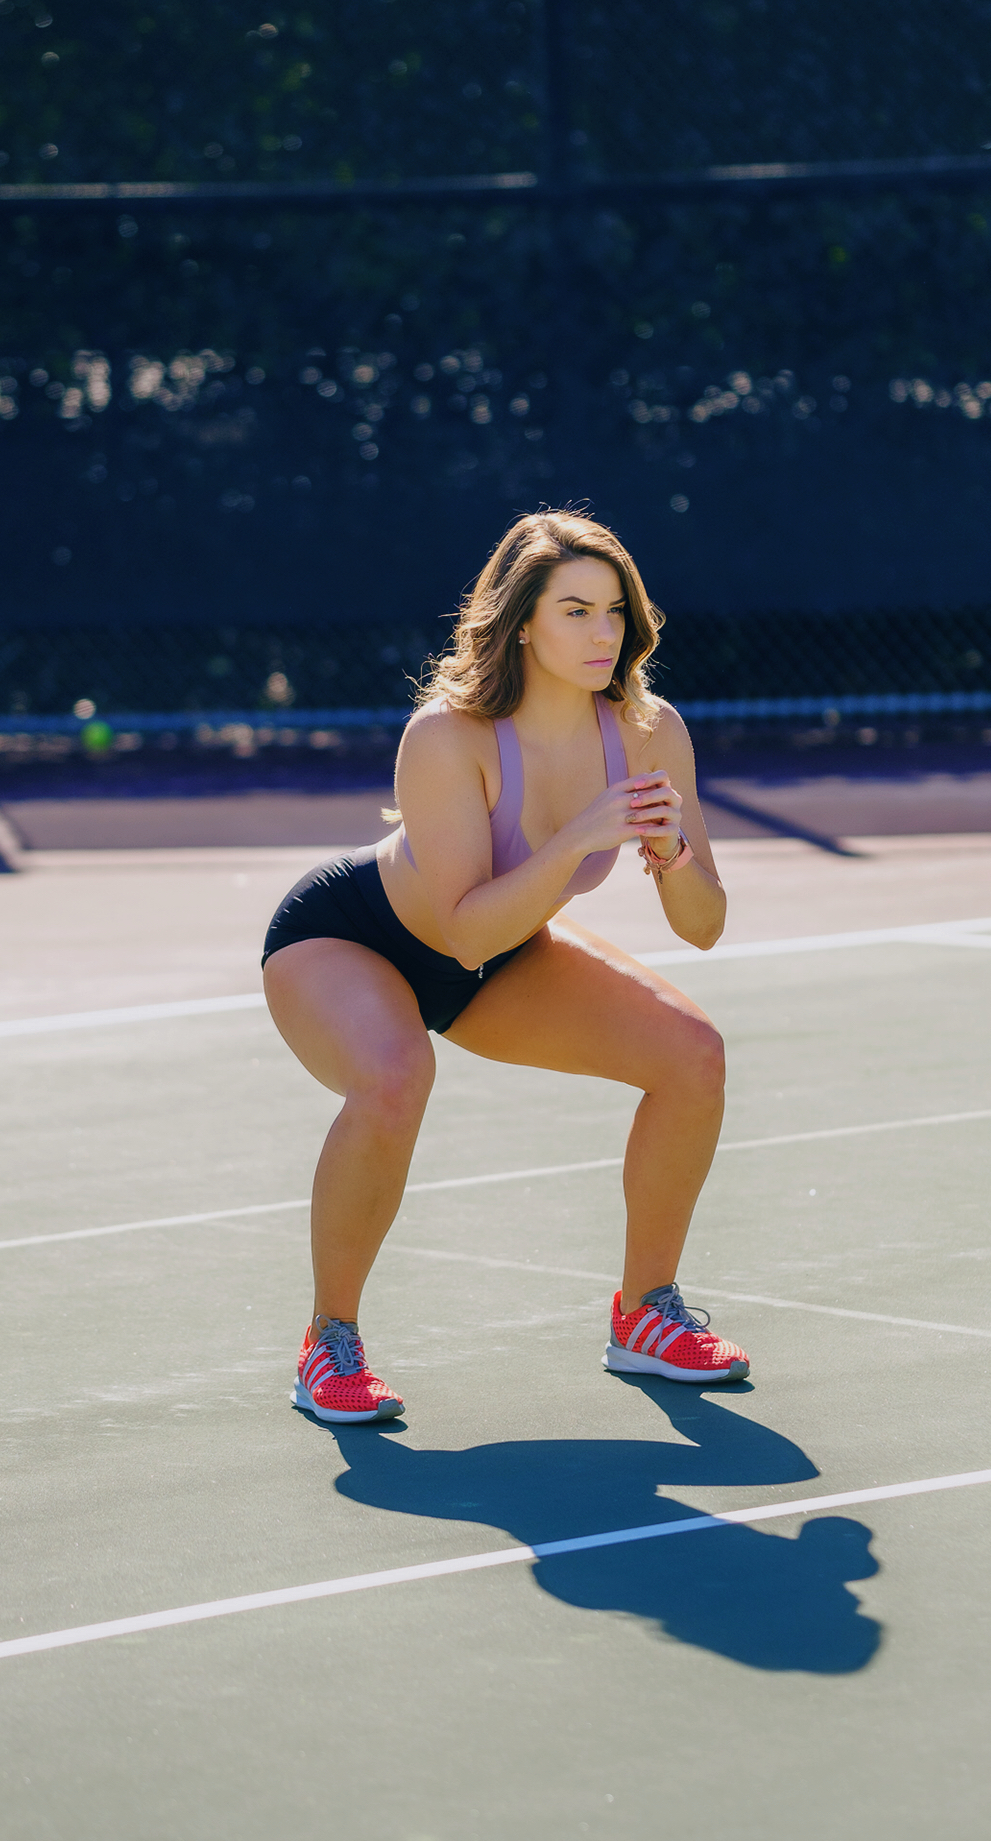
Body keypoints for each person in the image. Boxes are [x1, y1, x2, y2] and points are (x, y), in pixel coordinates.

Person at [262, 510, 748, 1423]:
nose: (603, 633)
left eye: (615, 611)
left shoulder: (649, 731)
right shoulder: (447, 736)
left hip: (505, 947)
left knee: (694, 1056)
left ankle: (645, 1313)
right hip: (353, 938)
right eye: (575, 611)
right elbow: (464, 934)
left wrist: (672, 851)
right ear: (522, 622)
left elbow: (704, 927)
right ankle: (330, 1340)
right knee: (395, 1078)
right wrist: (578, 838)